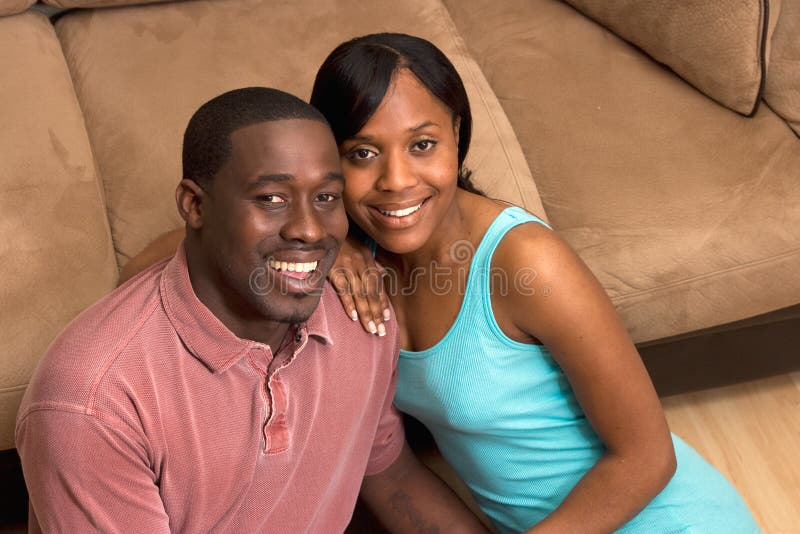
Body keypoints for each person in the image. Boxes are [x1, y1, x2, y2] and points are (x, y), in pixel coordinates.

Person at [118, 36, 761, 533]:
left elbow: (649, 458)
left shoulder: (525, 263)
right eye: (362, 154)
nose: (397, 181)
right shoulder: (336, 255)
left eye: (423, 144)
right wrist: (331, 247)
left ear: (457, 135)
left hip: (654, 516)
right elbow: (140, 271)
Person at [15, 87, 488, 533]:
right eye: (272, 199)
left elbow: (390, 475)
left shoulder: (360, 312)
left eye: (326, 198)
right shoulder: (90, 403)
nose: (307, 229)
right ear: (194, 206)